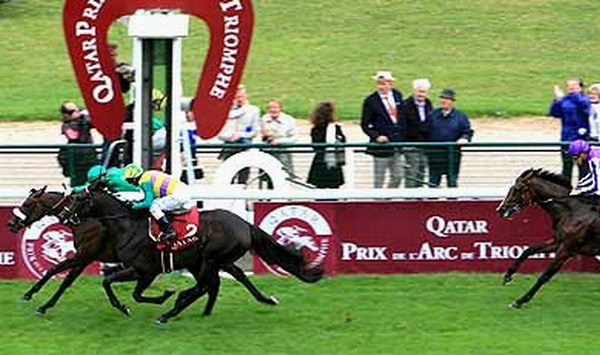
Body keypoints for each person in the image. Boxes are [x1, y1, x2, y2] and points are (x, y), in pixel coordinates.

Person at [123, 163, 194, 242]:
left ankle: (168, 230)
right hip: (183, 190)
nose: (130, 183)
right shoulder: (148, 174)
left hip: (179, 194)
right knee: (157, 202)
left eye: (129, 181)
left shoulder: (144, 181)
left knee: (154, 206)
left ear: (134, 178)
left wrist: (135, 206)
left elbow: (148, 203)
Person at [360, 71, 407, 188]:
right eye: (379, 84)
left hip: (396, 143)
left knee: (398, 176)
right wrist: (376, 136)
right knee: (379, 178)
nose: (382, 86)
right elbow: (365, 124)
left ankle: (387, 199)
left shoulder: (397, 95)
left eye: (384, 83)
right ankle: (378, 202)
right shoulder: (371, 101)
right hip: (381, 146)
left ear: (391, 84)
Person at [427, 88, 473, 188]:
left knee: (452, 180)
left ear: (452, 101)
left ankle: (452, 202)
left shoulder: (460, 116)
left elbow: (467, 131)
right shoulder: (432, 115)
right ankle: (432, 203)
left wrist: (464, 138)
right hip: (435, 155)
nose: (444, 101)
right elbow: (424, 132)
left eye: (447, 99)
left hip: (452, 155)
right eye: (442, 98)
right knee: (433, 181)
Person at [549, 77, 591, 183]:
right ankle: (565, 190)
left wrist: (573, 95)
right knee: (567, 166)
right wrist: (557, 100)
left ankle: (584, 190)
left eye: (574, 86)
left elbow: (585, 107)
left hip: (581, 138)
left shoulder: (584, 99)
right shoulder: (565, 100)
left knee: (583, 166)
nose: (571, 88)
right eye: (569, 86)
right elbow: (554, 113)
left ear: (580, 87)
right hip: (566, 137)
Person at [217, 85, 261, 184]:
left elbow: (255, 131)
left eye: (241, 97)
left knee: (243, 175)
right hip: (229, 145)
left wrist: (241, 135)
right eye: (236, 97)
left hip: (244, 145)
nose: (239, 99)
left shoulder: (253, 110)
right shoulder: (227, 110)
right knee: (227, 175)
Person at [57, 101, 98, 186]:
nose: (77, 112)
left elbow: (96, 123)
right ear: (65, 114)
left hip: (89, 156)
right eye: (72, 112)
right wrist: (82, 118)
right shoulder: (67, 125)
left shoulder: (84, 120)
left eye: (78, 110)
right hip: (76, 159)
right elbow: (74, 136)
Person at [307, 101, 346, 188]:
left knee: (320, 191)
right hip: (331, 162)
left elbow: (314, 146)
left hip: (320, 161)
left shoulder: (315, 129)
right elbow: (343, 142)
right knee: (334, 189)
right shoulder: (335, 128)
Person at [403, 78, 433, 188]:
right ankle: (409, 198)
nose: (421, 94)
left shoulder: (428, 104)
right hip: (410, 144)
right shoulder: (406, 105)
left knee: (422, 169)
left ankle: (419, 196)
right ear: (414, 91)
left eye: (424, 92)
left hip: (424, 144)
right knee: (412, 171)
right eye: (419, 91)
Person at [260, 98, 298, 176]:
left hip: (283, 153)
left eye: (275, 107)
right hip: (267, 152)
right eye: (270, 108)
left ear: (280, 108)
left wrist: (279, 141)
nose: (273, 110)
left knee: (285, 176)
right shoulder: (263, 119)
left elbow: (294, 138)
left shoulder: (289, 120)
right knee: (268, 177)